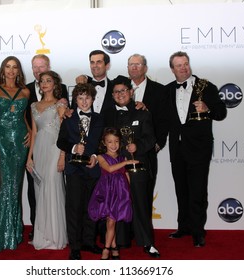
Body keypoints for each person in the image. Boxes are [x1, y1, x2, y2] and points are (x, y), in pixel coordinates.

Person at [163, 51, 227, 247]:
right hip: (177, 149)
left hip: (199, 148)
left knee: (198, 192)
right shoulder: (166, 91)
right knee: (181, 190)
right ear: (172, 69)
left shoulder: (206, 87)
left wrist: (207, 108)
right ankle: (184, 227)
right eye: (179, 65)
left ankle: (198, 232)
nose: (184, 68)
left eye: (186, 64)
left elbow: (221, 112)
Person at [102, 76, 160, 258]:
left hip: (137, 167)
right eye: (116, 91)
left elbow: (151, 138)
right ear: (112, 95)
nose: (120, 94)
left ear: (131, 92)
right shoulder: (107, 114)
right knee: (115, 207)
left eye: (124, 91)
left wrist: (138, 146)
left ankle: (148, 243)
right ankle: (119, 242)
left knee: (141, 206)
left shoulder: (142, 112)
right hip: (115, 168)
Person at [0, 56, 31, 252]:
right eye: (8, 67)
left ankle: (13, 232)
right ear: (3, 69)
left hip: (20, 142)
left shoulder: (26, 91)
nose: (11, 71)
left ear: (19, 71)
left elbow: (24, 117)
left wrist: (30, 132)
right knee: (5, 186)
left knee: (17, 185)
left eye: (15, 67)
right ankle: (2, 232)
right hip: (2, 142)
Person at [57, 83, 104, 260]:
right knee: (74, 208)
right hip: (74, 169)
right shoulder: (68, 119)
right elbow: (60, 141)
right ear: (75, 100)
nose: (84, 102)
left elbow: (102, 142)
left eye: (87, 98)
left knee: (92, 208)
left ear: (93, 99)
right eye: (80, 98)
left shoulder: (100, 119)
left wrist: (95, 155)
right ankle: (75, 246)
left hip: (93, 169)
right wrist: (74, 147)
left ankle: (89, 242)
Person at [25, 54, 69, 241]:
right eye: (42, 81)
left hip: (54, 150)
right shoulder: (34, 105)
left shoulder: (61, 104)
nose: (44, 83)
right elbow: (34, 133)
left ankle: (56, 235)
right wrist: (29, 157)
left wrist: (62, 156)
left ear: (54, 84)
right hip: (39, 151)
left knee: (53, 188)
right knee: (39, 190)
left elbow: (64, 132)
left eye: (48, 80)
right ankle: (42, 234)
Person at [116, 54, 167, 191]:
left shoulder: (159, 90)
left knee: (144, 196)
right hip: (121, 153)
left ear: (145, 68)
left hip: (147, 151)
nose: (134, 67)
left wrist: (157, 144)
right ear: (127, 68)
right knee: (122, 197)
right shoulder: (118, 89)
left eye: (138, 64)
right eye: (131, 64)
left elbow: (163, 120)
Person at [88, 127, 137, 260]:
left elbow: (126, 175)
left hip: (120, 192)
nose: (113, 145)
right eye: (110, 142)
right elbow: (109, 169)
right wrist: (126, 162)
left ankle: (112, 247)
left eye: (116, 141)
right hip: (107, 192)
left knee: (113, 221)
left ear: (120, 142)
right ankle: (108, 248)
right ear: (104, 143)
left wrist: (128, 193)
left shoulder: (121, 157)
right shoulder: (101, 157)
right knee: (110, 222)